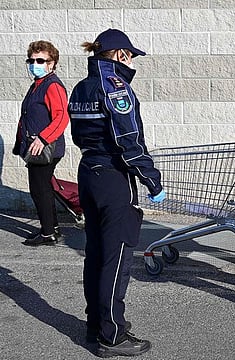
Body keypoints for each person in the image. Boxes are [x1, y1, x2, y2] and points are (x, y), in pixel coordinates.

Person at [68, 29, 165, 358]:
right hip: (113, 176)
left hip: (89, 173)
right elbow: (129, 140)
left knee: (96, 254)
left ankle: (95, 324)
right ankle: (112, 336)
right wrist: (152, 179)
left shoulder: (81, 87)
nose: (132, 61)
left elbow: (81, 135)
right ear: (120, 55)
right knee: (117, 257)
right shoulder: (116, 87)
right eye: (131, 55)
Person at [13, 40, 69, 246]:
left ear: (52, 63)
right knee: (42, 188)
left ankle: (48, 234)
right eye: (31, 60)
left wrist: (43, 138)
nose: (34, 63)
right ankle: (51, 229)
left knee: (39, 189)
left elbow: (62, 117)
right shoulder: (37, 85)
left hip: (46, 148)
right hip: (34, 146)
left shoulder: (52, 85)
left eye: (40, 60)